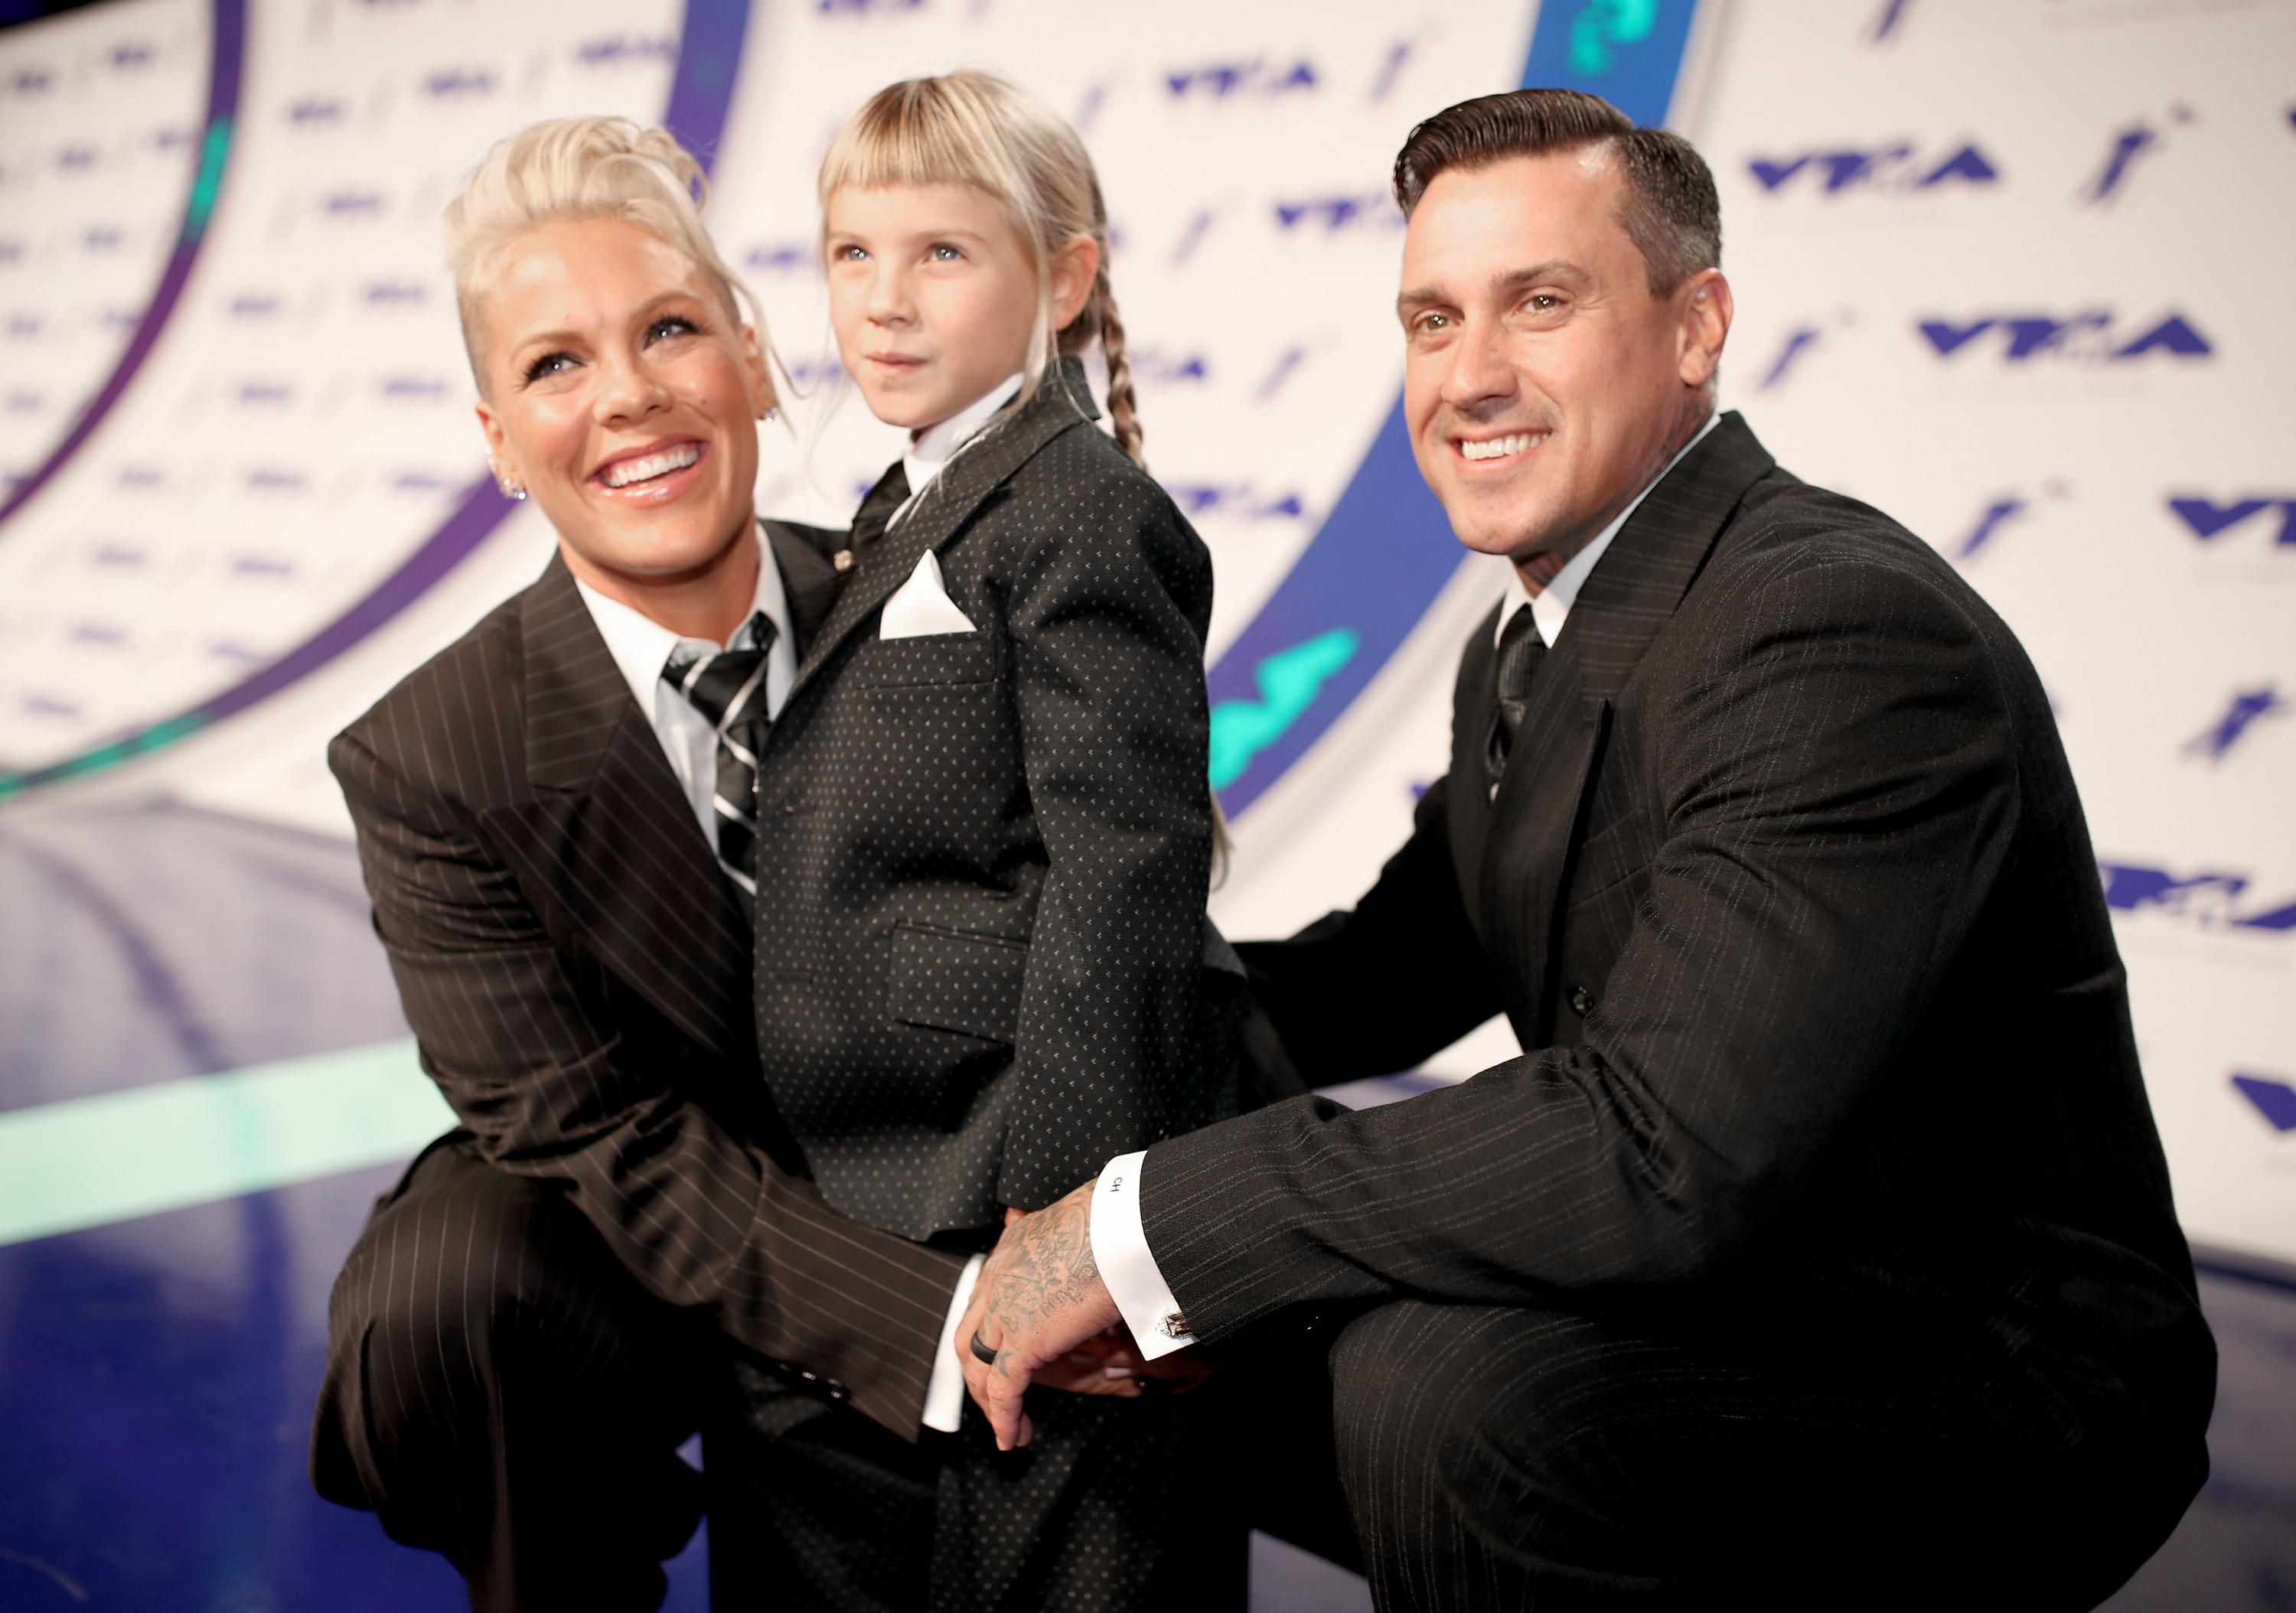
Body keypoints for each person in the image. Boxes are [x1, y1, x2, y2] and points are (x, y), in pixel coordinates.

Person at [960, 89, 2218, 1609]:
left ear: (1698, 327)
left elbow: (1658, 1151)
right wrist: (1012, 1054)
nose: (1470, 374)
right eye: (1433, 320)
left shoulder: (1832, 626)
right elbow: (1370, 979)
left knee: (1435, 1386)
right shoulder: (1529, 641)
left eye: (1540, 303)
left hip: (1978, 1361)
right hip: (1735, 1279)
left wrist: (1150, 1221)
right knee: (1176, 1340)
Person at [307, 118, 1003, 1611]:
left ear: (750, 354)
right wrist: (939, 1326)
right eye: (555, 363)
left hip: (922, 1168)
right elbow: (594, 1130)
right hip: (636, 1215)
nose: (628, 394)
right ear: (500, 441)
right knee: (447, 1303)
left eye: (669, 330)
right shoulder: (428, 756)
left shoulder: (944, 610)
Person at [706, 70, 1240, 1611]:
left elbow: (1124, 874)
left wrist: (1062, 1214)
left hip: (998, 1164)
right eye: (851, 254)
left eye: (941, 252)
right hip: (880, 1169)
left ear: (1063, 280)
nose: (883, 300)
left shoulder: (1080, 512)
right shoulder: (911, 498)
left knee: (1048, 1559)